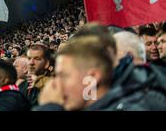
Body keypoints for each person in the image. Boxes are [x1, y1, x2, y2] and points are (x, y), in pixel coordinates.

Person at [36, 36, 166, 111]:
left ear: (92, 79)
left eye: (64, 75)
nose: (55, 84)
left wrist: (49, 107)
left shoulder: (135, 107)